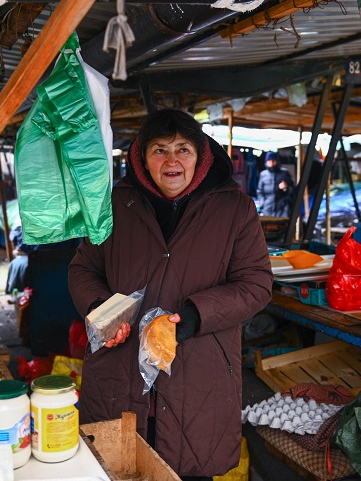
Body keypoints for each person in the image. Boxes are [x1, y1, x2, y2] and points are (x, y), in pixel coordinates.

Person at [68, 109, 272, 479]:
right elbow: (84, 269)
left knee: (190, 467)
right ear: (142, 159)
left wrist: (193, 317)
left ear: (202, 154)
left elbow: (256, 283)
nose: (172, 160)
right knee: (116, 467)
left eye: (183, 149)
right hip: (121, 367)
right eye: (160, 150)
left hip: (198, 371)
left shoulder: (235, 208)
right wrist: (102, 310)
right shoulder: (114, 205)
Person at [256, 151, 295, 217]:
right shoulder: (263, 174)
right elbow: (259, 191)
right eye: (269, 160)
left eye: (273, 160)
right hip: (267, 209)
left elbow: (293, 190)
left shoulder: (284, 173)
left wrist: (286, 188)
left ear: (277, 161)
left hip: (282, 209)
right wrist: (263, 203)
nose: (271, 162)